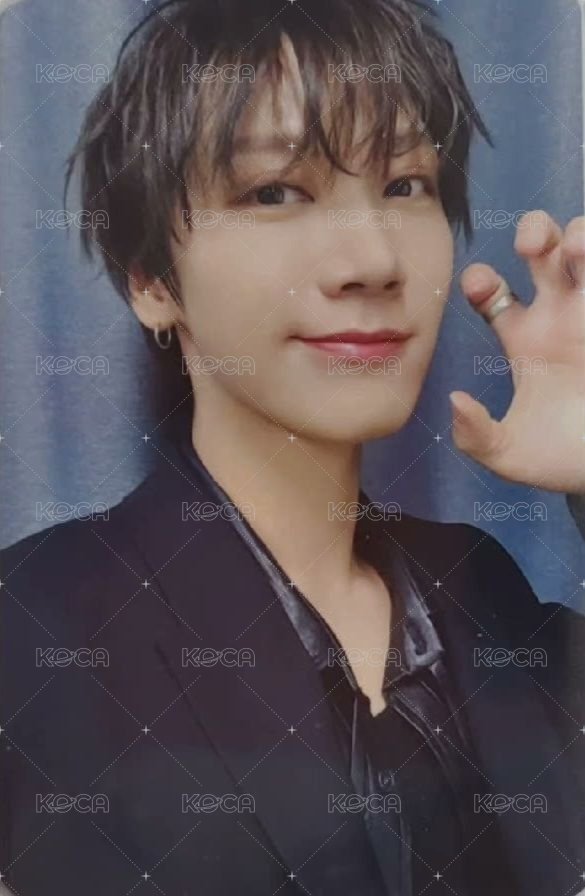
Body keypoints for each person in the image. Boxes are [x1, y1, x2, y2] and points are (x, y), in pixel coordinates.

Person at [1, 0, 585, 893]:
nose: (372, 260)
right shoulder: (31, 626)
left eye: (405, 185)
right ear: (151, 279)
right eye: (274, 192)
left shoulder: (484, 593)